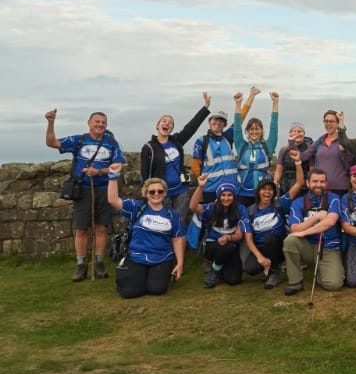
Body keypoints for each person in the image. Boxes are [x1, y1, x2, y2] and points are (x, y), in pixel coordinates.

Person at [45, 109, 126, 281]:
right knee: (81, 229)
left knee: (102, 228)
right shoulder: (79, 140)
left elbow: (118, 165)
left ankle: (98, 264)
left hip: (104, 189)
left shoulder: (112, 142)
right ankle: (81, 265)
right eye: (97, 121)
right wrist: (51, 123)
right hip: (83, 189)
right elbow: (52, 143)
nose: (100, 125)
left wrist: (99, 171)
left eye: (103, 122)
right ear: (89, 123)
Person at [105, 164, 185, 298]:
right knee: (130, 292)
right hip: (137, 256)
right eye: (152, 192)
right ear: (146, 193)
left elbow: (177, 239)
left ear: (165, 193)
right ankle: (132, 274)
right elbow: (113, 200)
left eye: (160, 191)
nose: (156, 194)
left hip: (162, 257)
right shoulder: (136, 208)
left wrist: (180, 263)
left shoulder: (172, 214)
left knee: (157, 289)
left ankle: (151, 277)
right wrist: (113, 177)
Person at [140, 92, 210, 220]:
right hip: (162, 193)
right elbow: (145, 174)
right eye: (164, 121)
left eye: (170, 123)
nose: (167, 123)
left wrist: (205, 108)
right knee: (162, 222)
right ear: (157, 125)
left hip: (181, 191)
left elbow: (191, 127)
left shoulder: (176, 142)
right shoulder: (149, 147)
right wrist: (147, 194)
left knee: (179, 223)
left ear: (171, 129)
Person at [243, 152, 304, 290]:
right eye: (264, 189)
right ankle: (268, 264)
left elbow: (300, 183)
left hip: (278, 245)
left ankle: (273, 272)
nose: (267, 192)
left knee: (269, 238)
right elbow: (248, 239)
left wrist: (298, 163)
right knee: (250, 268)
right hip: (260, 248)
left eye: (270, 189)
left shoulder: (280, 203)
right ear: (258, 191)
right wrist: (259, 257)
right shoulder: (250, 211)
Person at [283, 169, 344, 295]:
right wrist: (315, 217)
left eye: (322, 181)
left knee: (333, 284)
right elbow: (295, 228)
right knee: (290, 241)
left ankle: (323, 271)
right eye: (315, 181)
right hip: (308, 246)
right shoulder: (298, 202)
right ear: (307, 182)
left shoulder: (334, 198)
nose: (318, 184)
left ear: (326, 183)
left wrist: (304, 232)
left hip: (329, 248)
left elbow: (330, 222)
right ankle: (296, 281)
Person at [193, 87, 258, 202]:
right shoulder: (201, 141)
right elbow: (195, 166)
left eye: (221, 121)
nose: (218, 123)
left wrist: (251, 96)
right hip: (211, 189)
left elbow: (240, 118)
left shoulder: (228, 137)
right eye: (215, 120)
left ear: (224, 125)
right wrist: (202, 183)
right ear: (209, 122)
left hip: (231, 187)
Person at [188, 178, 248, 288]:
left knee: (233, 280)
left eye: (229, 195)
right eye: (223, 195)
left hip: (230, 244)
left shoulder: (241, 209)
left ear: (234, 196)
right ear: (218, 196)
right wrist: (200, 187)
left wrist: (228, 237)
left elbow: (239, 235)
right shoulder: (211, 207)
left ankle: (219, 267)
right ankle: (214, 270)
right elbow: (193, 207)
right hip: (212, 244)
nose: (226, 198)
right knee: (226, 247)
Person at [233, 91, 279, 206]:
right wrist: (238, 104)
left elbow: (274, 126)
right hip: (242, 192)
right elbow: (237, 127)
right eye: (251, 129)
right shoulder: (241, 145)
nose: (254, 131)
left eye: (257, 129)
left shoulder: (267, 146)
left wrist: (275, 103)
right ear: (247, 131)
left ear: (261, 131)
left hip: (262, 193)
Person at [300, 110, 353, 196]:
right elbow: (303, 157)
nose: (328, 124)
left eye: (332, 121)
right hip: (320, 188)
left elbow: (348, 165)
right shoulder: (319, 142)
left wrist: (343, 151)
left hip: (340, 189)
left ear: (337, 123)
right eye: (326, 121)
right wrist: (292, 142)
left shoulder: (344, 142)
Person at [273, 122, 313, 195]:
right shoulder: (283, 150)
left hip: (303, 187)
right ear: (290, 134)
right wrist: (275, 182)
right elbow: (279, 170)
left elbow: (312, 170)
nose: (297, 133)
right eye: (294, 131)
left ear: (304, 134)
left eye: (299, 131)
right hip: (285, 186)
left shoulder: (309, 149)